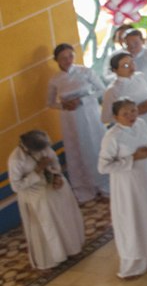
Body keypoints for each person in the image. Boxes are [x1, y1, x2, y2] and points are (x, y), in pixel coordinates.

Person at [97, 98, 147, 278]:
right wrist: (132, 158)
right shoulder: (112, 136)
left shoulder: (142, 124)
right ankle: (133, 264)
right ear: (115, 117)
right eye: (125, 114)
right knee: (132, 220)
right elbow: (103, 167)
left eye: (133, 111)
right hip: (127, 186)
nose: (131, 116)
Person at [9, 129, 85, 270]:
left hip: (56, 191)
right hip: (36, 198)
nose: (45, 150)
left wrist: (57, 176)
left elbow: (54, 162)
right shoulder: (16, 159)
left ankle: (72, 249)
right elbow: (16, 186)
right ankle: (51, 259)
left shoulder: (44, 147)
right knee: (46, 228)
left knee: (65, 220)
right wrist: (38, 170)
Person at [45, 45, 106, 204]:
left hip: (90, 115)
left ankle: (104, 183)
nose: (67, 61)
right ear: (56, 60)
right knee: (77, 149)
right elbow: (50, 103)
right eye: (63, 58)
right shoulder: (55, 80)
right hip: (70, 120)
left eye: (70, 56)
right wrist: (63, 106)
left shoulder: (86, 72)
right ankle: (85, 188)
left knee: (95, 145)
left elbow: (101, 90)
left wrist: (83, 99)